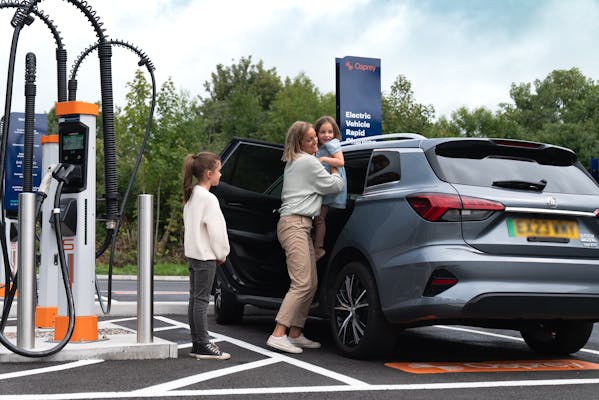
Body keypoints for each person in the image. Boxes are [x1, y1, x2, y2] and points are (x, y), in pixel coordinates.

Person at [266, 121, 344, 354]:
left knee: (310, 283)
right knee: (302, 283)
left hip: (299, 224)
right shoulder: (308, 162)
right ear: (299, 142)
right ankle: (278, 334)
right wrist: (336, 167)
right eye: (310, 139)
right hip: (295, 225)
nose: (316, 142)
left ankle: (296, 333)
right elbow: (335, 186)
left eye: (315, 138)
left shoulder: (294, 161)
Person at [182, 152, 231, 360]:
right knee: (202, 301)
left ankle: (197, 342)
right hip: (205, 257)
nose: (221, 174)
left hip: (194, 255)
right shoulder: (209, 199)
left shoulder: (191, 195)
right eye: (219, 170)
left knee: (195, 299)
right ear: (209, 173)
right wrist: (222, 253)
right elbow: (217, 231)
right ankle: (203, 343)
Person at [312, 116, 347, 261]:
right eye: (322, 132)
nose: (327, 135)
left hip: (333, 184)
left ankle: (318, 248)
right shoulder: (321, 148)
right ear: (316, 134)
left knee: (319, 218)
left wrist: (323, 160)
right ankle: (317, 245)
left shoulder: (333, 144)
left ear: (335, 133)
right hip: (327, 185)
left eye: (330, 132)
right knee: (319, 218)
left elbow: (340, 161)